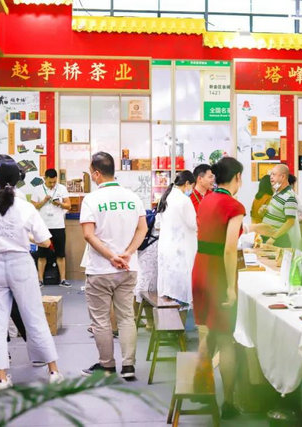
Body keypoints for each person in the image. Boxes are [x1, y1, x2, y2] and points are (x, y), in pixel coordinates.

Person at [0, 160, 63, 389]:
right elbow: (45, 241)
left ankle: (2, 378)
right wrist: (23, 237)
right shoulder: (26, 207)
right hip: (21, 265)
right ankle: (53, 371)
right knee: (35, 317)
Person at [79, 152, 148, 380]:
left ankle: (107, 366)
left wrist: (111, 256)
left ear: (97, 173)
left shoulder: (91, 199)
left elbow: (88, 235)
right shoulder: (133, 197)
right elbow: (143, 229)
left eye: (91, 172)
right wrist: (127, 253)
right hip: (128, 268)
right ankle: (129, 366)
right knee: (126, 317)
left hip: (100, 270)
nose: (92, 176)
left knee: (101, 320)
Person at [192, 157, 245, 419]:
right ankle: (230, 403)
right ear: (237, 177)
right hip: (218, 275)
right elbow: (230, 249)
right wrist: (231, 289)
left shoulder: (206, 199)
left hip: (200, 269)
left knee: (208, 333)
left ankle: (200, 390)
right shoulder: (234, 205)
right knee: (226, 339)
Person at [156, 171, 197, 312]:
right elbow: (193, 224)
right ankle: (182, 316)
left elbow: (158, 223)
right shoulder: (184, 200)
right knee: (181, 286)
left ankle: (172, 316)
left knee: (170, 286)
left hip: (167, 247)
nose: (191, 190)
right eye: (192, 186)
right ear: (187, 184)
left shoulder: (165, 197)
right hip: (181, 249)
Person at [31, 168, 72, 288]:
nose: (52, 184)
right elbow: (33, 206)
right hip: (43, 226)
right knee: (42, 255)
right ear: (45, 179)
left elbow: (68, 205)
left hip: (58, 225)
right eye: (50, 182)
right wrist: (44, 200)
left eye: (54, 182)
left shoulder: (61, 188)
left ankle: (63, 279)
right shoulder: (38, 189)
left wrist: (59, 203)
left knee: (60, 254)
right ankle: (40, 280)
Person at [253, 164, 298, 248]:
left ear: (282, 177)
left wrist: (273, 238)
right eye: (271, 174)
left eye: (274, 174)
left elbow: (290, 222)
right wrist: (263, 212)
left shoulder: (290, 196)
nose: (271, 177)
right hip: (266, 236)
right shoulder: (276, 192)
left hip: (277, 241)